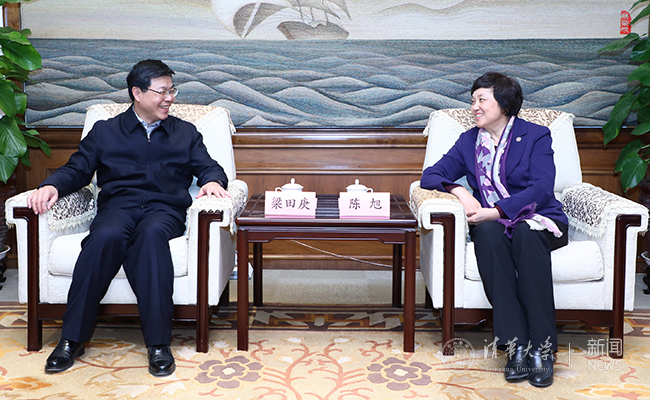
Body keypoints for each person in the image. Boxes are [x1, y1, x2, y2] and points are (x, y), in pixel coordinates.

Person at [27, 59, 231, 377]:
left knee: (150, 239)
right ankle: (71, 340)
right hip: (118, 209)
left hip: (164, 210)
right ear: (137, 92)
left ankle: (158, 344)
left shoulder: (185, 133)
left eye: (172, 90)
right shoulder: (106, 131)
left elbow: (209, 167)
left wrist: (213, 181)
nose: (169, 98)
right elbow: (78, 169)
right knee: (104, 238)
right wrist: (51, 185)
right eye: (162, 91)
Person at [420, 72, 568, 388]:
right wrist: (460, 190)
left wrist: (498, 210)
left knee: (526, 235)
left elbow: (542, 188)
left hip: (538, 218)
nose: (474, 106)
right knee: (487, 235)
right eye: (472, 100)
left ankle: (542, 349)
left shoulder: (536, 136)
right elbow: (430, 175)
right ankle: (515, 346)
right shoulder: (468, 141)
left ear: (504, 104)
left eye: (481, 99)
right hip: (493, 225)